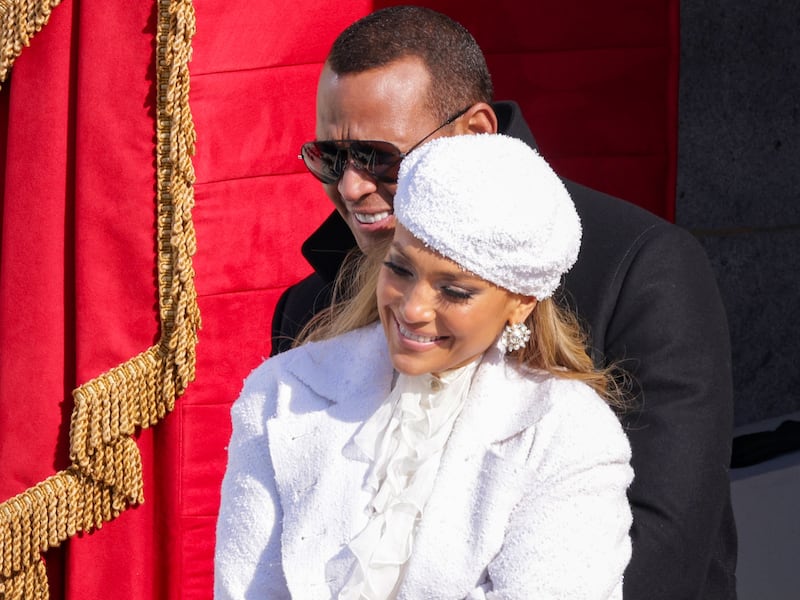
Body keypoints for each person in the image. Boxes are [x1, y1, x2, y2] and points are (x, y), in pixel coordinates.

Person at [271, 6, 737, 599]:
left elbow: (661, 547)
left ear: (476, 131)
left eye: (380, 158)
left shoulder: (642, 268)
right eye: (330, 159)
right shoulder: (311, 306)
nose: (351, 187)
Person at [215, 133, 634, 599]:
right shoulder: (280, 393)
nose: (413, 308)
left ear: (521, 303)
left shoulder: (567, 432)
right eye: (400, 269)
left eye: (454, 291)